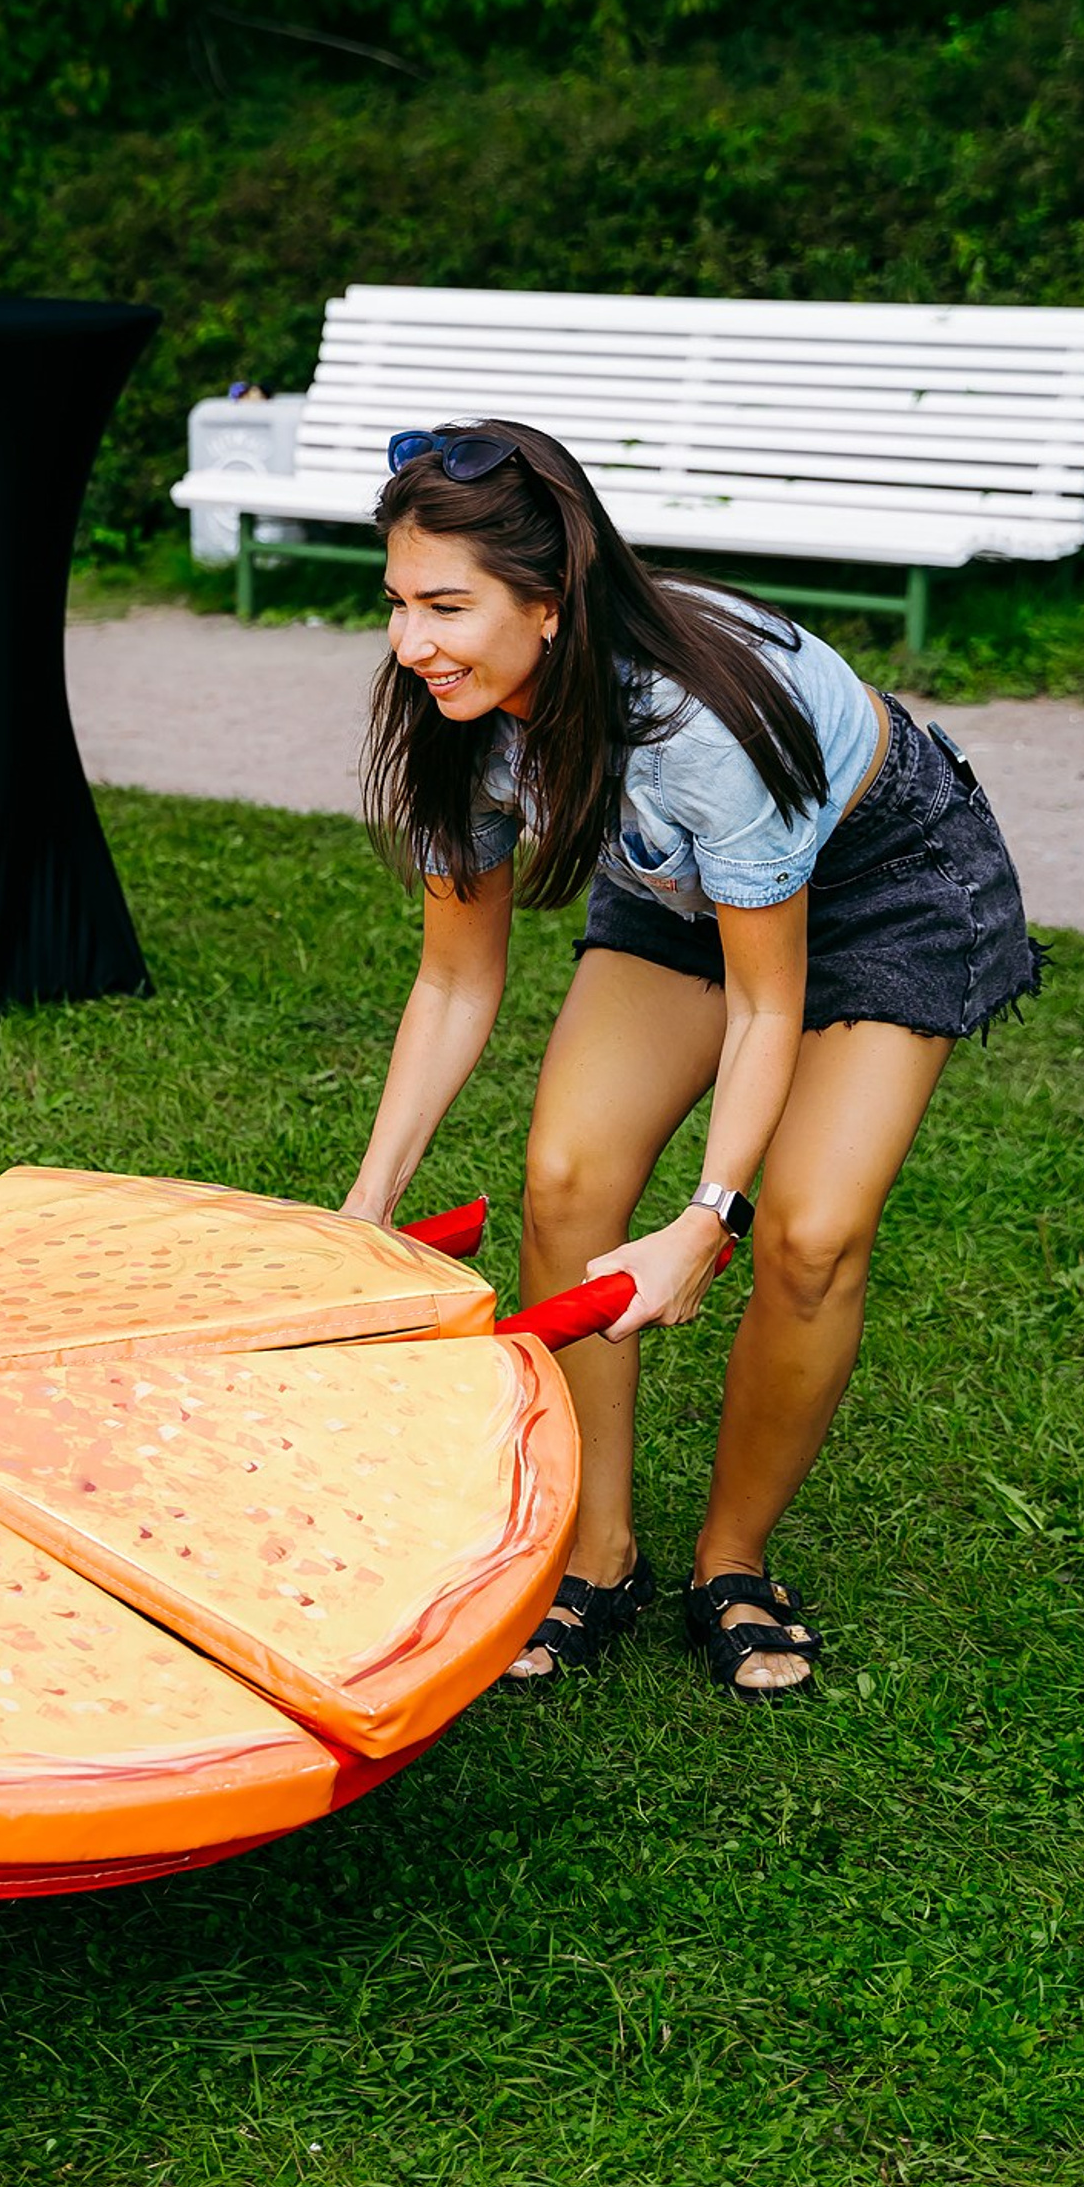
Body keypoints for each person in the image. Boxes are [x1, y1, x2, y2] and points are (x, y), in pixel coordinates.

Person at [341, 419, 1042, 1701]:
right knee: (564, 1176)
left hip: (880, 887)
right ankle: (592, 1553)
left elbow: (765, 1011)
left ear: (550, 605)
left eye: (446, 606)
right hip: (681, 890)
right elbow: (454, 975)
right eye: (396, 602)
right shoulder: (453, 709)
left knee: (811, 1234)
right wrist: (366, 1205)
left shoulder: (692, 727)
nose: (409, 642)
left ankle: (735, 1559)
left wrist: (704, 1218)